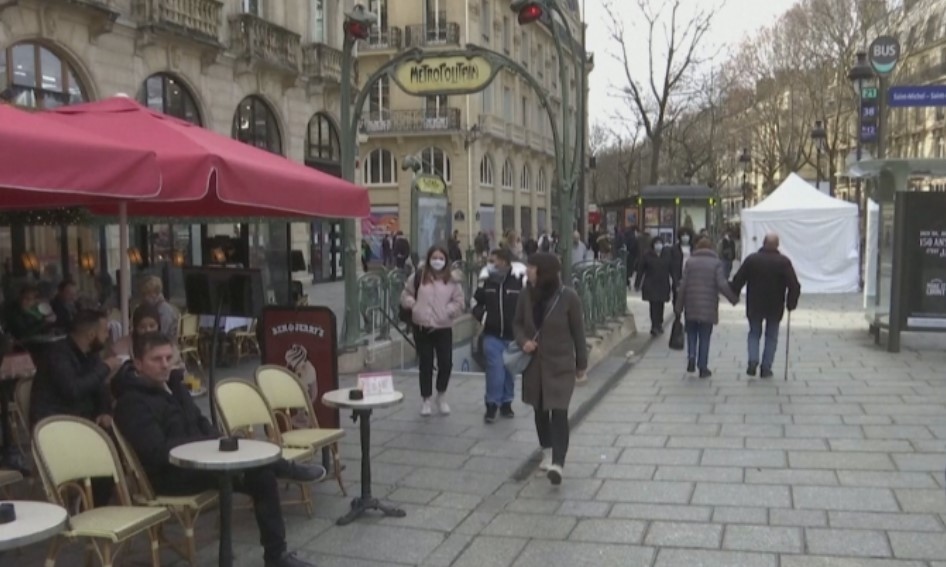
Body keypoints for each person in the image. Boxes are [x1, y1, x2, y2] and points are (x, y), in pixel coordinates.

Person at [113, 332, 323, 567]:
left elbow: (201, 421)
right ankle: (286, 469)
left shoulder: (174, 386)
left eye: (168, 357)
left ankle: (276, 556)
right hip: (170, 476)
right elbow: (155, 451)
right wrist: (204, 446)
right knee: (253, 469)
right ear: (138, 363)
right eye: (156, 359)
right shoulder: (131, 402)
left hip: (202, 462)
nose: (165, 365)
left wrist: (218, 441)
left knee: (261, 476)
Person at [513, 253, 587, 486]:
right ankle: (547, 451)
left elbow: (578, 332)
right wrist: (523, 340)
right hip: (534, 364)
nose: (527, 271)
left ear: (542, 271)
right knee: (540, 410)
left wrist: (581, 365)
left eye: (531, 267)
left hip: (560, 365)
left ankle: (558, 463)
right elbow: (516, 323)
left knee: (559, 412)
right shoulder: (526, 295)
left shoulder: (568, 297)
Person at [400, 246, 465, 416]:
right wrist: (413, 305)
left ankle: (441, 395)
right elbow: (406, 294)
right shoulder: (419, 276)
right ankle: (426, 399)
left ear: (445, 260)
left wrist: (448, 310)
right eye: (434, 257)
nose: (437, 261)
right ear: (429, 259)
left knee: (446, 363)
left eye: (440, 257)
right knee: (425, 363)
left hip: (443, 327)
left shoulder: (452, 280)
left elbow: (459, 302)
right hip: (422, 326)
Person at [730, 232, 801, 378]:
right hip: (775, 305)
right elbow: (794, 285)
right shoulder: (783, 262)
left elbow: (738, 280)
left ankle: (753, 360)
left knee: (754, 333)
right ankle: (766, 367)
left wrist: (733, 294)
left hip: (755, 304)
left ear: (763, 243)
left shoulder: (752, 260)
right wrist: (791, 303)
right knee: (771, 336)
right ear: (777, 245)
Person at [472, 248, 524, 423]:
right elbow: (475, 302)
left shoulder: (518, 281)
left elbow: (527, 305)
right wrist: (484, 317)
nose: (491, 265)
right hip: (492, 334)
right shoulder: (487, 282)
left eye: (494, 261)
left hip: (513, 336)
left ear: (505, 262)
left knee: (510, 371)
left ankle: (506, 402)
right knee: (495, 371)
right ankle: (491, 404)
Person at [674, 237, 739, 378]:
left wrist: (678, 307)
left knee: (691, 333)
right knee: (704, 337)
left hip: (691, 304)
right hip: (708, 306)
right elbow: (721, 284)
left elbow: (683, 285)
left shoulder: (690, 262)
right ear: (711, 248)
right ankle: (703, 367)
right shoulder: (716, 263)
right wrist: (733, 299)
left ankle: (691, 357)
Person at [634, 237, 673, 336]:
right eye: (656, 243)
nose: (658, 245)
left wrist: (676, 282)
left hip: (663, 284)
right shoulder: (647, 255)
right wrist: (637, 284)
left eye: (660, 243)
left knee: (660, 305)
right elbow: (640, 270)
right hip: (651, 284)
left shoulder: (667, 255)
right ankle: (654, 325)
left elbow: (672, 270)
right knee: (653, 305)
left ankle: (659, 323)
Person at [139, 275, 180, 343]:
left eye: (145, 294)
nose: (143, 298)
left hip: (164, 345)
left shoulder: (164, 310)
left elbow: (161, 335)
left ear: (154, 294)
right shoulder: (154, 307)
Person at [670, 227, 696, 304]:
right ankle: (677, 312)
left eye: (687, 235)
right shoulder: (674, 248)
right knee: (677, 297)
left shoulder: (694, 248)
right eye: (683, 235)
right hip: (678, 274)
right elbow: (672, 264)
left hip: (691, 275)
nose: (685, 237)